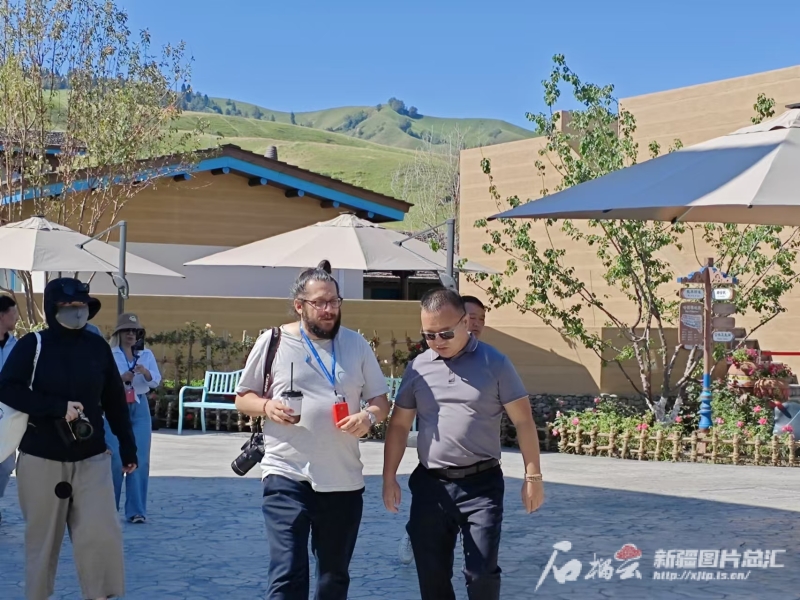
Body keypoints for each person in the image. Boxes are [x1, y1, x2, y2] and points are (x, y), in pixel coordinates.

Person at [235, 260, 391, 600]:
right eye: (319, 302)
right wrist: (267, 407)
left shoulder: (356, 344)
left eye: (334, 301)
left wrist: (368, 417)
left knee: (333, 579)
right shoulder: (273, 341)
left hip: (342, 478)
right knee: (287, 572)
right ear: (299, 305)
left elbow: (380, 399)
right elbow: (243, 397)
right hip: (285, 474)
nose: (329, 309)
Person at [383, 288, 544, 600]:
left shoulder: (495, 363)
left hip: (481, 487)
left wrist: (533, 476)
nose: (437, 341)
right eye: (429, 335)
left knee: (482, 575)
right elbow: (399, 424)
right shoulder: (418, 368)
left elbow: (524, 421)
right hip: (431, 486)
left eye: (445, 333)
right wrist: (389, 477)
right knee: (432, 577)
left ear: (464, 323)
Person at [0, 278, 137, 600]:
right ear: (52, 308)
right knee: (42, 541)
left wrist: (128, 446)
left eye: (81, 306)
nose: (76, 312)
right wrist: (56, 407)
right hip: (41, 457)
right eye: (68, 306)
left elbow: (114, 399)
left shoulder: (97, 347)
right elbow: (7, 388)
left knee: (101, 534)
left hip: (92, 457)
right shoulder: (33, 344)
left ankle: (101, 595)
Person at [398, 293, 489, 564]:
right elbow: (400, 422)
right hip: (435, 473)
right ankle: (414, 532)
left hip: (479, 476)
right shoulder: (422, 364)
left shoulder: (491, 362)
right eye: (471, 318)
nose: (475, 324)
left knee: (481, 567)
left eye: (481, 319)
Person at [105, 312, 161, 523]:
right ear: (118, 333)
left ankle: (136, 511)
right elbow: (102, 382)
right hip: (115, 406)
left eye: (134, 331)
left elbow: (155, 381)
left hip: (139, 406)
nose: (131, 334)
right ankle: (109, 509)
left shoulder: (146, 355)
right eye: (126, 330)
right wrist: (121, 379)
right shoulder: (110, 354)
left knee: (140, 459)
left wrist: (145, 373)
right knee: (115, 458)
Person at [0, 293, 20, 525]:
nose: (16, 318)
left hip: (9, 414)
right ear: (2, 316)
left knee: (6, 464)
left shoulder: (18, 346)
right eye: (13, 313)